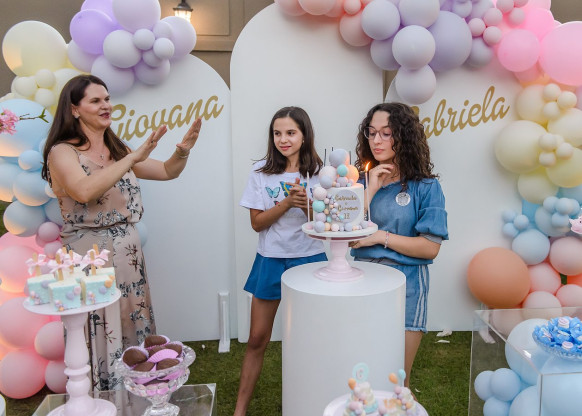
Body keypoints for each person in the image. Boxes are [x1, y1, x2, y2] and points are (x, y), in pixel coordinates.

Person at [41, 74, 202, 390]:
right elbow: (84, 190)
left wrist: (182, 151)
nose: (106, 106)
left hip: (128, 259)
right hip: (89, 261)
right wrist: (131, 158)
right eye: (95, 100)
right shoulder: (63, 152)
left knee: (131, 324)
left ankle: (138, 395)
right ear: (74, 109)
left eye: (107, 99)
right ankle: (102, 399)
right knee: (101, 329)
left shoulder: (117, 149)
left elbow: (167, 170)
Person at [234, 106, 327, 415]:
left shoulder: (320, 173)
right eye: (277, 133)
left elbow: (327, 223)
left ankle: (310, 404)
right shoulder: (260, 171)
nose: (283, 140)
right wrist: (287, 203)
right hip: (271, 260)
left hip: (310, 260)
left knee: (309, 340)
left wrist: (305, 206)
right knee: (257, 338)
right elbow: (257, 223)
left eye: (290, 133)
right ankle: (239, 410)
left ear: (304, 135)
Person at [348, 102, 448, 388]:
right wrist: (370, 190)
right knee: (362, 375)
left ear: (404, 136)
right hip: (364, 284)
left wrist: (380, 237)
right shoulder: (358, 183)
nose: (376, 140)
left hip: (407, 287)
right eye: (371, 132)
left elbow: (430, 247)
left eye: (386, 133)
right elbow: (346, 233)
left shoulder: (426, 188)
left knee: (396, 381)